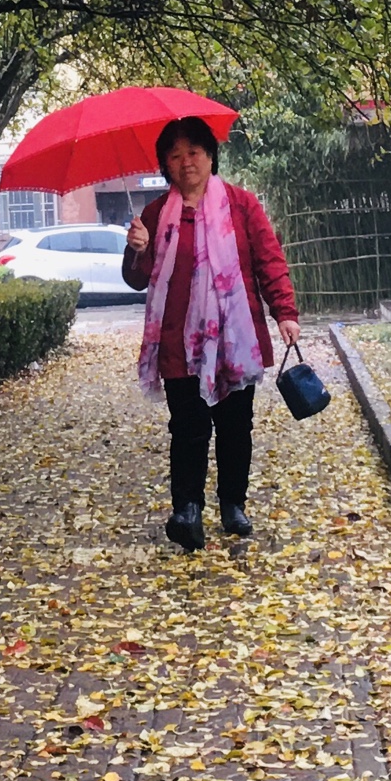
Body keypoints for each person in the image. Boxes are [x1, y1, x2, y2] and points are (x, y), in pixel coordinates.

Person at [122, 117, 301, 551]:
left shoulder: (242, 206)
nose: (186, 163)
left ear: (211, 155)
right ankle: (186, 510)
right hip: (178, 342)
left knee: (236, 424)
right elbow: (135, 279)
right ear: (165, 164)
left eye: (194, 152)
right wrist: (136, 249)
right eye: (176, 155)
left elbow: (269, 262)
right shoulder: (152, 215)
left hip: (233, 340)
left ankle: (232, 505)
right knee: (187, 426)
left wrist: (285, 312)